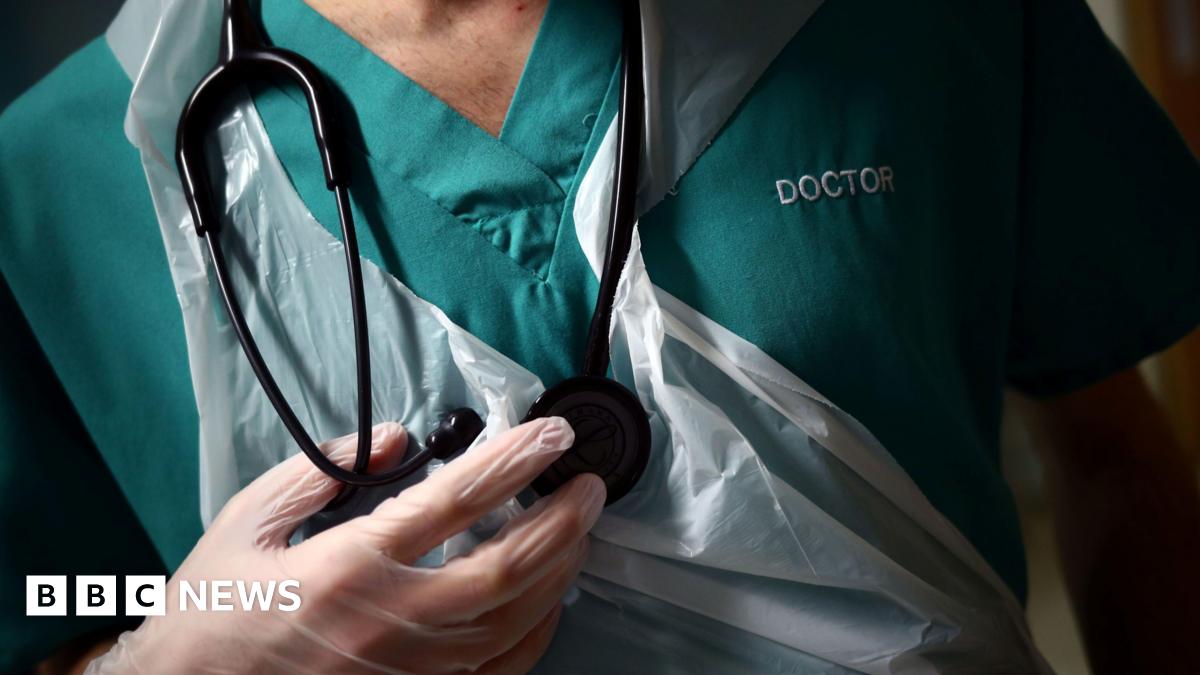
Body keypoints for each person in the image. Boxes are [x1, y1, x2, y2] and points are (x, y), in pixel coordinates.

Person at [1, 0, 1197, 672]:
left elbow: (1111, 442)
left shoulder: (912, 25)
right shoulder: (56, 185)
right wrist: (179, 660)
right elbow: (52, 603)